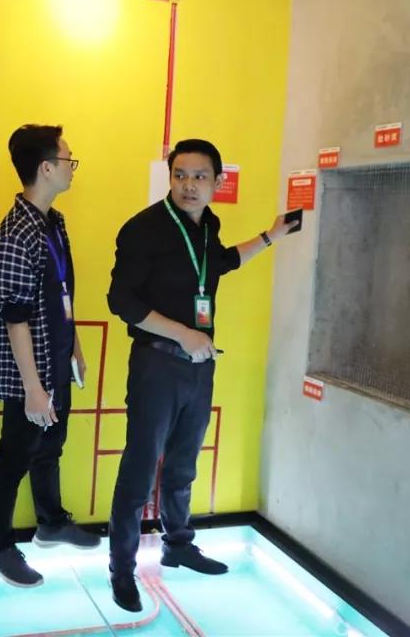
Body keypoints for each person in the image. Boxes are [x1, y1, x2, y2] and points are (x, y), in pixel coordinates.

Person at [106, 138, 298, 612]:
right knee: (139, 468)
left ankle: (177, 545)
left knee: (183, 464)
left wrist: (272, 235)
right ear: (169, 177)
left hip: (198, 365)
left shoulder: (208, 226)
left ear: (217, 181)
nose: (188, 185)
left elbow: (222, 264)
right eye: (180, 175)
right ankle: (122, 570)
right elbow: (121, 301)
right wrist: (183, 334)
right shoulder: (144, 229)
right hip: (156, 365)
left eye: (199, 177)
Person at [0, 124, 100, 589]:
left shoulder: (54, 223)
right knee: (14, 456)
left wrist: (75, 347)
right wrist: (32, 387)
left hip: (56, 361)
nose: (73, 167)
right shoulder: (14, 235)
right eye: (68, 159)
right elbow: (15, 318)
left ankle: (51, 523)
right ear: (46, 168)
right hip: (27, 375)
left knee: (51, 446)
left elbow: (61, 294)